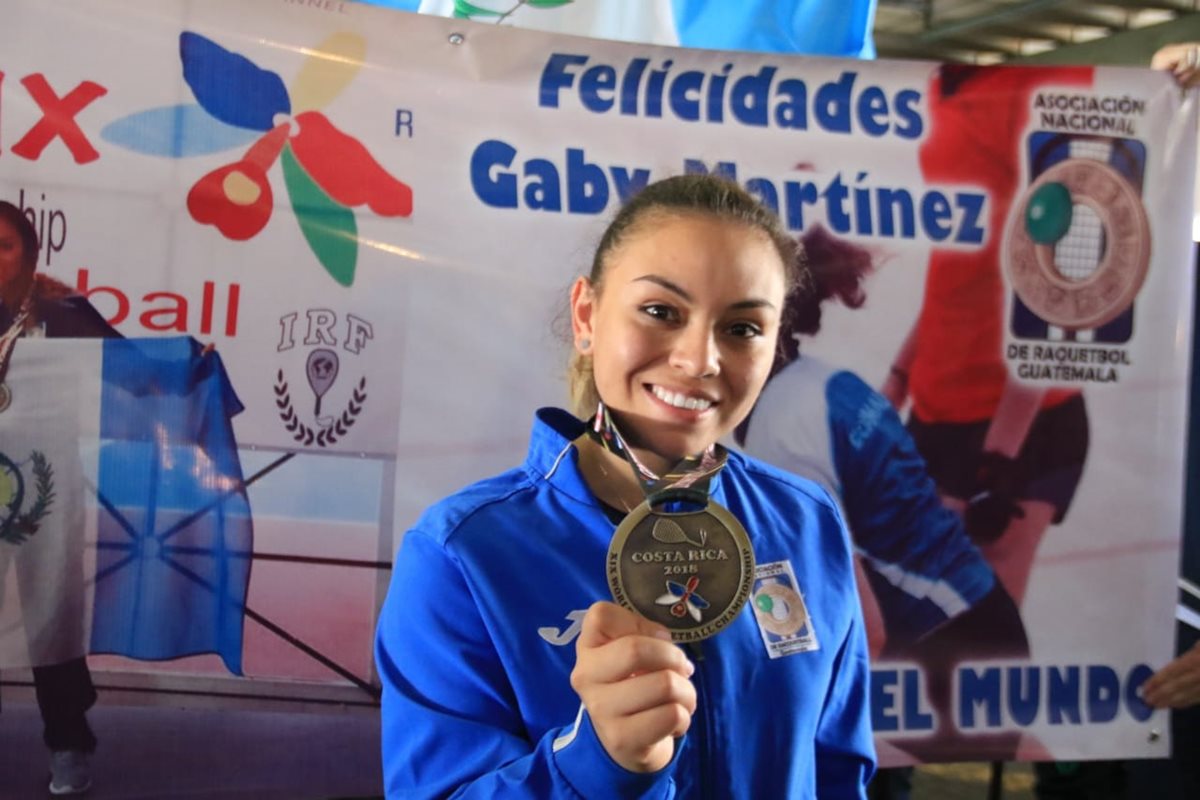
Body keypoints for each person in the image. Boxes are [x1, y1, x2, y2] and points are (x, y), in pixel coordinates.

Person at [375, 174, 875, 798]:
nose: (699, 361)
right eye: (661, 312)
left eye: (743, 328)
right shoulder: (463, 555)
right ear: (587, 316)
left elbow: (837, 771)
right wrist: (598, 762)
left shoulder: (805, 522)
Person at [738, 226, 1029, 785]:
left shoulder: (780, 431)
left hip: (940, 648)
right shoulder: (829, 382)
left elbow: (861, 630)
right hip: (982, 623)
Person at [0, 199, 119, 795]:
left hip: (43, 494)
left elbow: (130, 369)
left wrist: (184, 366)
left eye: (4, 245)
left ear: (29, 253)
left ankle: (69, 744)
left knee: (51, 616)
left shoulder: (62, 313)